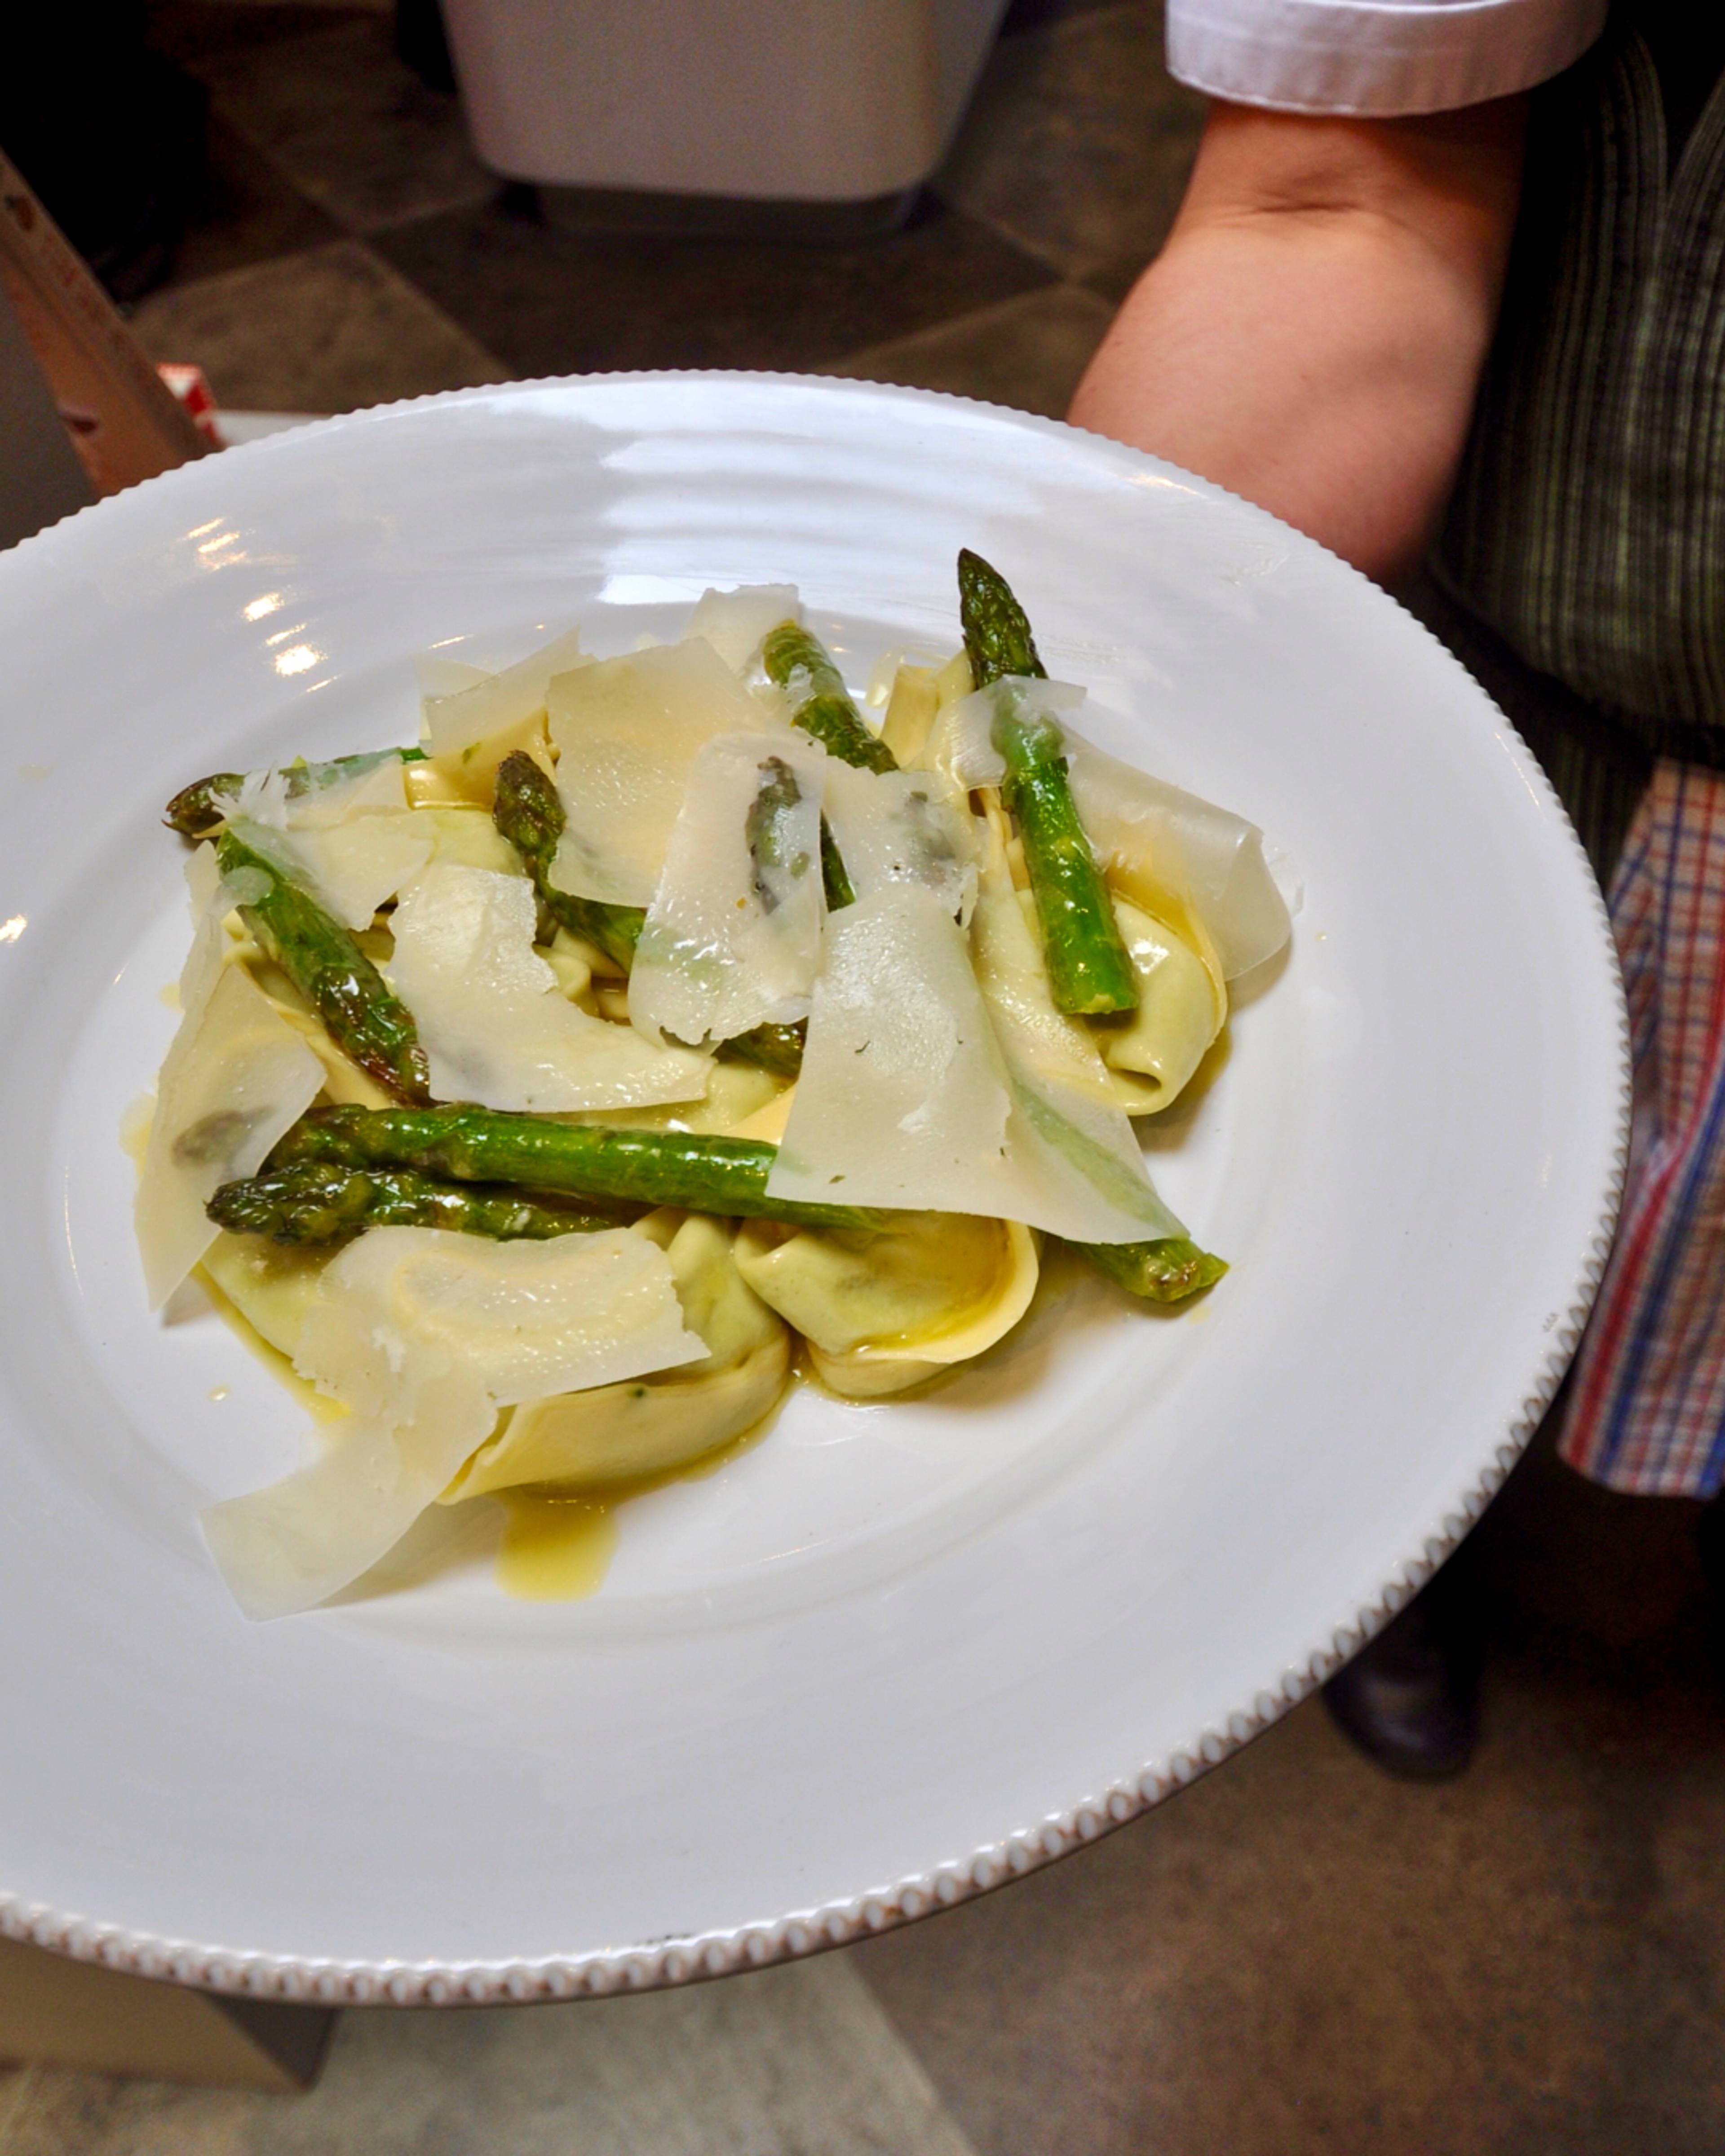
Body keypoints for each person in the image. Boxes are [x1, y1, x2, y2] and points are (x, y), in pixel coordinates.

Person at [1070, 0, 1725, 1775]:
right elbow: (1338, 199)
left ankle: (1631, 1556)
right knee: (1373, 1208)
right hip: (1494, 702)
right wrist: (1046, 721)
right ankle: (1384, 1578)